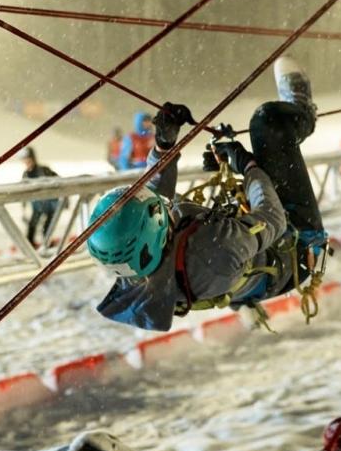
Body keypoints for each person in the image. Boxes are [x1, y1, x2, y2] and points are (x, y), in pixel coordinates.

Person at [88, 56, 328, 331]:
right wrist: (247, 166)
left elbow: (156, 196)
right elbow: (272, 219)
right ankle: (302, 111)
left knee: (248, 203)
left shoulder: (133, 259)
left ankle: (244, 294)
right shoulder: (215, 250)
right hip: (296, 241)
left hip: (239, 256)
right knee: (269, 123)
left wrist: (164, 145)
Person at [18, 147, 61, 247]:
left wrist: (59, 197)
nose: (26, 162)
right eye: (25, 160)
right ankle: (30, 243)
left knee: (47, 225)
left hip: (49, 204)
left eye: (28, 159)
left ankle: (47, 242)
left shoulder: (44, 170)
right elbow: (23, 190)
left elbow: (58, 181)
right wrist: (23, 207)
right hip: (37, 205)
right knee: (32, 224)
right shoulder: (26, 174)